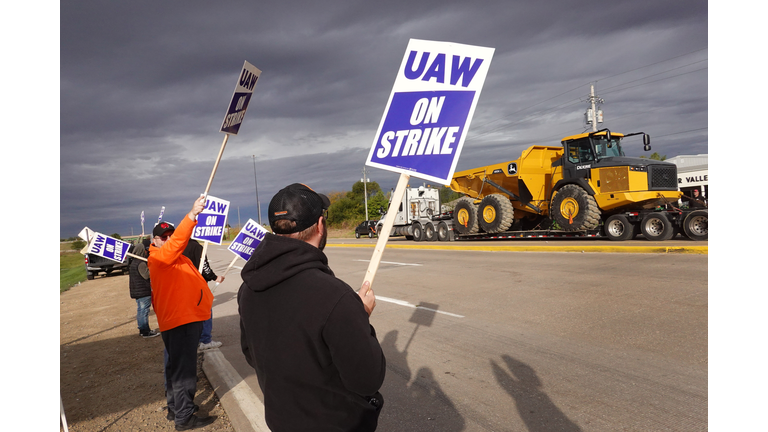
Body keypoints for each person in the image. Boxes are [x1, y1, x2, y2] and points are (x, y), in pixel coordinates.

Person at [238, 183, 386, 432]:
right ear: (320, 225)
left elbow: (250, 354)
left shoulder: (248, 288)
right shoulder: (335, 296)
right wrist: (360, 317)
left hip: (280, 420)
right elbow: (366, 379)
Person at [148, 196, 217, 431]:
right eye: (163, 237)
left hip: (182, 319)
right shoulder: (160, 257)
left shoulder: (175, 258)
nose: (168, 239)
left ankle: (175, 409)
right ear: (154, 240)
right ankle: (184, 417)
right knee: (184, 371)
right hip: (181, 321)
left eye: (170, 235)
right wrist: (192, 215)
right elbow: (177, 242)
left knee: (175, 368)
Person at [181, 238, 225, 351]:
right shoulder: (196, 247)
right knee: (205, 311)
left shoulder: (178, 245)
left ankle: (191, 339)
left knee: (190, 315)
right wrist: (215, 277)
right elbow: (204, 267)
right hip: (197, 285)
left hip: (182, 286)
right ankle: (205, 340)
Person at [128, 238, 160, 338]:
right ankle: (145, 331)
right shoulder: (140, 263)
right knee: (144, 311)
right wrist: (152, 268)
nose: (146, 252)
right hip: (143, 291)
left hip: (137, 290)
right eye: (145, 251)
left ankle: (142, 330)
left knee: (141, 311)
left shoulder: (133, 262)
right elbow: (146, 275)